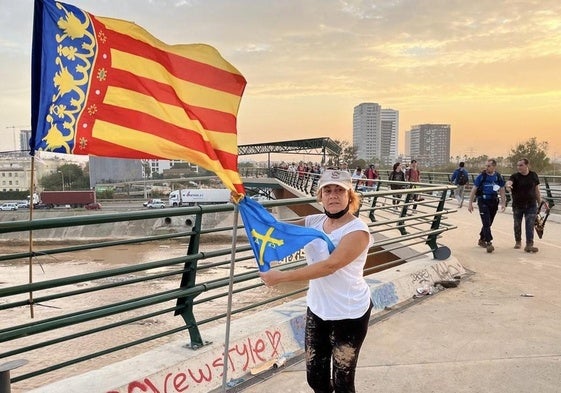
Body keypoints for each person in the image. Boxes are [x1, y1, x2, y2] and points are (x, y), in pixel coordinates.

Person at [260, 169, 373, 393]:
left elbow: (329, 266)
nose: (333, 195)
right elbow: (281, 231)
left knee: (343, 382)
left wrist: (281, 276)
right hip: (318, 309)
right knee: (316, 378)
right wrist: (246, 209)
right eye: (328, 190)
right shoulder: (313, 221)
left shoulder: (357, 231)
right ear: (320, 196)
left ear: (349, 196)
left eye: (339, 190)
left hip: (349, 313)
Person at [506, 158, 547, 253]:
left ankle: (529, 244)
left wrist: (540, 202)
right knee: (517, 224)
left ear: (527, 165)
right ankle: (518, 241)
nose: (518, 167)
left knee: (530, 224)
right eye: (517, 165)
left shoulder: (533, 175)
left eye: (521, 165)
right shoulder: (515, 176)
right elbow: (509, 182)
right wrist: (508, 186)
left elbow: (537, 190)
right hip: (517, 205)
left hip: (531, 205)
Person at [467, 159, 506, 253]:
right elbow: (474, 189)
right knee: (486, 221)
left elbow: (502, 189)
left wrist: (503, 202)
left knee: (489, 222)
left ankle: (481, 239)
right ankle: (489, 242)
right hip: (483, 201)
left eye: (489, 166)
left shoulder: (498, 176)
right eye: (486, 166)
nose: (486, 168)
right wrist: (470, 203)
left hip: (493, 201)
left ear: (494, 166)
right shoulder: (481, 176)